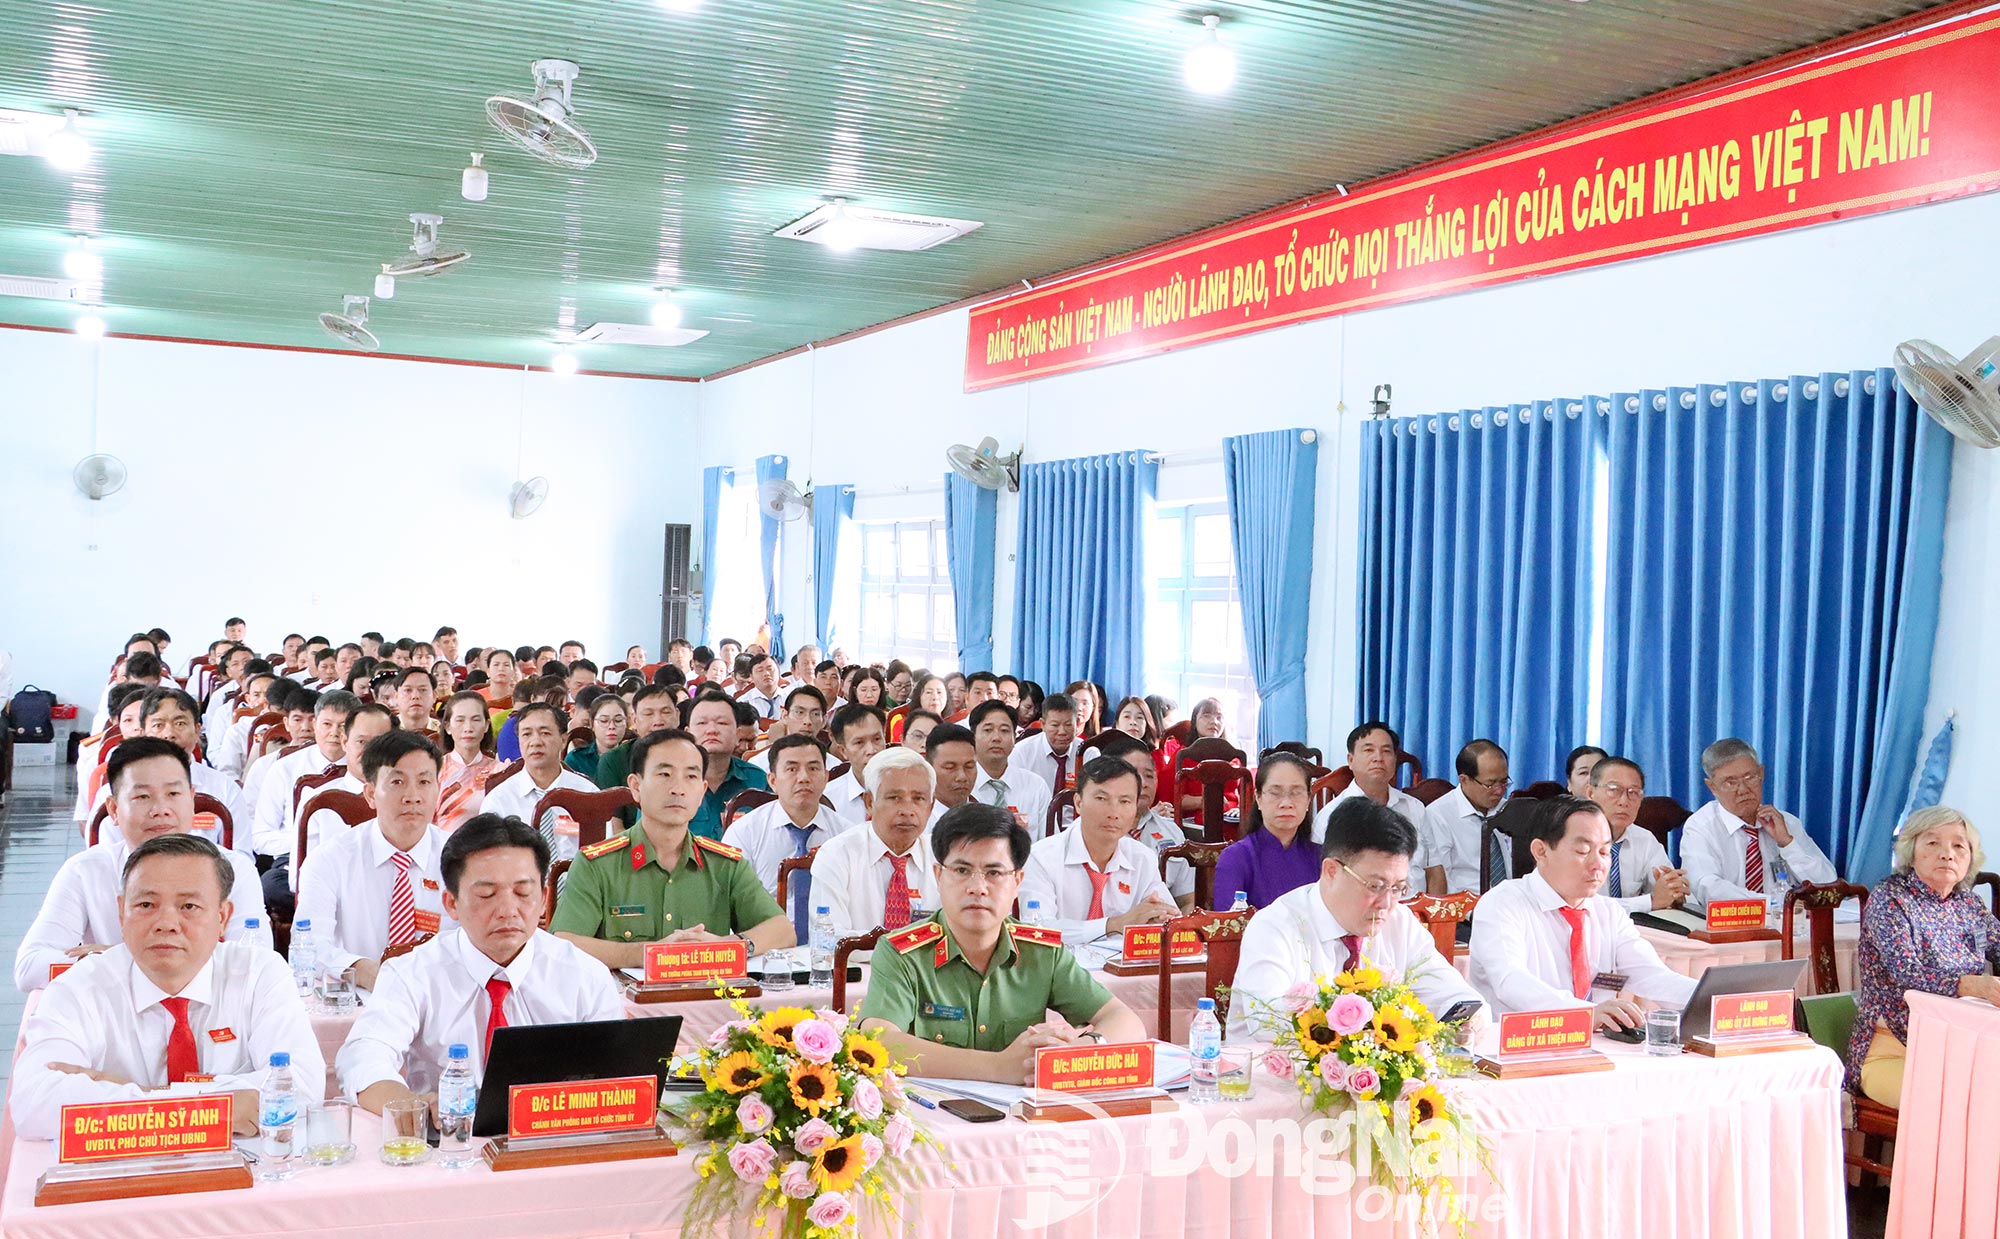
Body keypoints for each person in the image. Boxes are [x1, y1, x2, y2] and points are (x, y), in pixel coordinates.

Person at [10, 834, 322, 1140]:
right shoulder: (78, 987)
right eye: (146, 904)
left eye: (189, 906)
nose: (166, 923)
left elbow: (301, 1086)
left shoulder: (260, 974)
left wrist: (137, 1095)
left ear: (223, 917)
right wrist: (209, 1106)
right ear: (122, 913)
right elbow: (33, 1102)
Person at [338, 814, 625, 1109]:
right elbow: (363, 1055)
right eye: (487, 894)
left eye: (523, 893)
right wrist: (410, 1105)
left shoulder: (584, 975)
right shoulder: (413, 973)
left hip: (553, 1137)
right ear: (451, 903)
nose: (507, 910)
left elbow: (619, 1073)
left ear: (543, 899)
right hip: (447, 1140)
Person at [857, 805, 1145, 1085]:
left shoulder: (1042, 952)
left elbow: (1125, 1020)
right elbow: (880, 1041)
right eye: (961, 870)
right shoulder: (903, 953)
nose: (978, 887)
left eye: (994, 873)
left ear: (1017, 881)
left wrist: (1079, 1050)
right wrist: (999, 1067)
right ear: (938, 876)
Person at [17, 738, 273, 993]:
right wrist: (136, 965)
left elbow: (255, 963)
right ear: (114, 809)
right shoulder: (85, 871)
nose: (160, 809)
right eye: (142, 796)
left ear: (192, 799)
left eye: (173, 794)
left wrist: (119, 960)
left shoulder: (234, 869)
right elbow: (30, 967)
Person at [1230, 798, 1486, 1040]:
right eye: (1375, 885)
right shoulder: (1274, 926)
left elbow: (1450, 991)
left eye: (1398, 887)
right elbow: (1267, 1023)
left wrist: (1467, 1017)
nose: (1386, 903)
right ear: (1331, 871)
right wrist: (1366, 1026)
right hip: (1271, 1080)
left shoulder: (1400, 922)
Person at [550, 729, 792, 963]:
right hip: (624, 1002)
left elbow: (782, 931)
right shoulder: (598, 864)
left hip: (708, 999)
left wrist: (728, 946)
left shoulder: (724, 864)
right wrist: (653, 953)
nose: (678, 788)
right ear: (636, 786)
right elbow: (564, 943)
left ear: (702, 791)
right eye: (665, 775)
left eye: (690, 776)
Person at [1468, 796, 1695, 1028]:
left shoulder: (1608, 912)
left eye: (1605, 852)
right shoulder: (1502, 904)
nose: (1598, 864)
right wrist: (1584, 1014)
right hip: (1519, 1046)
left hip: (1599, 1046)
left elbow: (1650, 975)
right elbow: (1511, 982)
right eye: (1583, 850)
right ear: (1541, 851)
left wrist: (1711, 995)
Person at [1848, 806, 2000, 1106]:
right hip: (1893, 1050)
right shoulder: (1890, 898)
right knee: (1967, 1100)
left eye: (1959, 845)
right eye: (1933, 843)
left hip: (1958, 1048)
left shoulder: (1968, 904)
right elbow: (1908, 975)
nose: (1947, 853)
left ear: (1971, 856)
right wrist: (1974, 985)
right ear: (1911, 851)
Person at [295, 731, 454, 990]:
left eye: (424, 782)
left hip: (442, 996)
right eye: (397, 782)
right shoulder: (330, 859)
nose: (412, 796)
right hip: (359, 999)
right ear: (370, 794)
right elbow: (309, 944)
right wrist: (361, 970)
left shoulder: (461, 858)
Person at [1019, 756, 1177, 944]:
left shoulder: (1142, 858)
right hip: (1057, 970)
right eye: (1102, 798)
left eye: (1125, 801)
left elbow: (1169, 917)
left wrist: (1158, 918)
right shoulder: (1040, 858)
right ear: (1078, 803)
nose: (1114, 812)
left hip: (1122, 970)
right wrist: (1113, 925)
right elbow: (1036, 930)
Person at [722, 735, 854, 939]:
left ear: (826, 777)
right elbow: (729, 908)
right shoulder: (744, 833)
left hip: (830, 951)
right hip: (764, 951)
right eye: (792, 769)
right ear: (772, 781)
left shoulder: (846, 835)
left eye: (813, 768)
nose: (803, 778)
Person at [1680, 738, 1836, 908]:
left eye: (1750, 777)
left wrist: (1787, 843)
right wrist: (1774, 904)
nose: (1743, 789)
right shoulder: (1701, 827)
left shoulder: (1785, 822)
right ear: (1712, 787)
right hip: (1726, 927)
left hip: (1789, 925)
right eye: (1730, 782)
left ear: (1761, 773)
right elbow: (1708, 888)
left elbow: (1828, 885)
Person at [809, 747, 941, 941]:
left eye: (918, 799)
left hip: (928, 971)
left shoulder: (943, 857)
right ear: (869, 802)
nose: (907, 810)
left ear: (930, 806)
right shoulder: (837, 854)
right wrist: (901, 948)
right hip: (859, 970)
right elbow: (829, 937)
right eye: (894, 798)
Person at [250, 690, 358, 891]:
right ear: (315, 724)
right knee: (271, 885)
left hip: (354, 860)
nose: (334, 733)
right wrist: (306, 842)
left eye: (343, 726)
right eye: (327, 724)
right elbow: (260, 837)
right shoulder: (284, 768)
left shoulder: (365, 769)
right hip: (293, 859)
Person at [293, 703, 395, 884]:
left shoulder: (409, 799)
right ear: (344, 742)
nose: (370, 751)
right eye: (361, 742)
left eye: (379, 742)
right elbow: (299, 879)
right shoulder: (319, 802)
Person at [1090, 730, 1194, 908]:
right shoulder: (1092, 834)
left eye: (1149, 775)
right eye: (1135, 774)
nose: (1144, 783)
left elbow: (1187, 900)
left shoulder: (1171, 832)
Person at [1214, 752, 1322, 909]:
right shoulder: (1236, 858)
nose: (1286, 803)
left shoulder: (1321, 858)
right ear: (1258, 798)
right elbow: (1228, 928)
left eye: (1296, 792)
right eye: (1275, 792)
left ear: (1308, 800)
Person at [1583, 756, 1687, 913]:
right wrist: (1651, 901)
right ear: (1591, 793)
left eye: (1633, 792)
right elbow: (1580, 906)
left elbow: (1666, 890)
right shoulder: (1569, 838)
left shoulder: (1644, 840)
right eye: (1613, 790)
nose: (1624, 801)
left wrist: (1674, 891)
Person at [1312, 723, 1427, 855]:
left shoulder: (1415, 808)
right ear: (1350, 760)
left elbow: (1433, 867)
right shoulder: (1329, 816)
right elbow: (1321, 872)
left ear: (1395, 760)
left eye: (1386, 751)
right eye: (1368, 750)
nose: (1378, 758)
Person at [1421, 739, 1511, 894]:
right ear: (1464, 780)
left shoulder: (1509, 809)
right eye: (1490, 784)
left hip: (1513, 904)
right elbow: (1441, 879)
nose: (1499, 791)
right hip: (1466, 909)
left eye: (1503, 782)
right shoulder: (1438, 815)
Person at [480, 704, 596, 824]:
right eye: (527, 734)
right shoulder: (499, 800)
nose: (535, 742)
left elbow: (604, 841)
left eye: (545, 733)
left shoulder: (588, 794)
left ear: (563, 740)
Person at [683, 691, 770, 842]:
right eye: (702, 723)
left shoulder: (758, 781)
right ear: (688, 733)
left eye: (722, 723)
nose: (712, 730)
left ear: (737, 734)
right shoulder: (667, 782)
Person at [966, 701, 1052, 838]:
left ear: (1014, 737)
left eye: (1005, 731)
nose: (996, 738)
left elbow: (1049, 844)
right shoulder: (962, 785)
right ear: (973, 737)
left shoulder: (1036, 786)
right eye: (988, 730)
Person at [436, 690, 500, 832]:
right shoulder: (434, 769)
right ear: (447, 727)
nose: (468, 728)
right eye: (460, 720)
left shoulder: (499, 771)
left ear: (486, 725)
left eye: (476, 720)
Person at [824, 703, 888, 822]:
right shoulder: (828, 799)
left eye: (877, 739)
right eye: (859, 743)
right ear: (843, 751)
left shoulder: (909, 791)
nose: (871, 750)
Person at [1009, 692, 1081, 791]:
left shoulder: (1086, 752)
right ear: (1043, 724)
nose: (1062, 732)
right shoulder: (1022, 753)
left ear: (1076, 723)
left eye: (1068, 725)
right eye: (1055, 725)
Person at [924, 723, 981, 824]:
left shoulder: (985, 819)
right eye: (950, 767)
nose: (962, 777)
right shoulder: (916, 824)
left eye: (969, 766)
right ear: (928, 768)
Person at [566, 693, 629, 783]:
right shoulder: (576, 759)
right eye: (604, 721)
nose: (611, 726)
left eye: (618, 720)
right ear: (592, 724)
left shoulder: (634, 758)